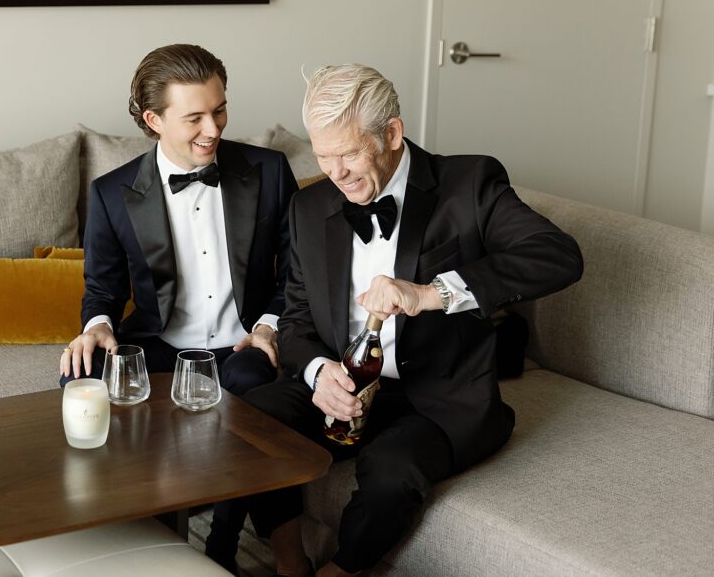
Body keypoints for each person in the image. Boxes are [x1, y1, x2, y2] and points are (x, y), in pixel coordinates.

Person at [209, 64, 583, 577]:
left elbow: (558, 255)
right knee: (249, 423)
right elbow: (294, 320)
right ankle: (288, 558)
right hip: (344, 382)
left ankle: (340, 571)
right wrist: (320, 374)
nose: (334, 172)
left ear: (391, 134)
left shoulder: (469, 183)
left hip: (437, 398)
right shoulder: (309, 206)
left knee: (391, 471)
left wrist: (433, 293)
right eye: (323, 155)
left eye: (347, 154)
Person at [60, 43, 297, 399]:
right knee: (81, 375)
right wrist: (97, 326)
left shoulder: (271, 171)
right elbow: (103, 288)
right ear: (155, 120)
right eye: (194, 118)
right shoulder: (110, 194)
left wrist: (269, 326)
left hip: (245, 344)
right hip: (158, 346)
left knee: (254, 385)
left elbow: (299, 270)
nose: (213, 129)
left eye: (219, 111)